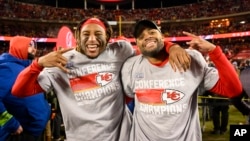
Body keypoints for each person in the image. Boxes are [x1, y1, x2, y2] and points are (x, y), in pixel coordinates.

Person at [11, 17, 191, 141]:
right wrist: (38, 64)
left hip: (124, 136)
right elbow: (19, 91)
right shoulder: (60, 62)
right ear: (77, 37)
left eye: (98, 35)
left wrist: (172, 47)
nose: (92, 40)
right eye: (86, 34)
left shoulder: (120, 51)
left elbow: (150, 46)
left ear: (108, 37)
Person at [120, 20, 243, 141]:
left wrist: (214, 52)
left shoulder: (190, 59)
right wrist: (172, 46)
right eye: (141, 37)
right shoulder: (131, 65)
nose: (147, 37)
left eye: (152, 32)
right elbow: (125, 98)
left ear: (162, 36)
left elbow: (233, 91)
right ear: (136, 43)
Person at [0, 36, 51, 141]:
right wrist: (10, 123)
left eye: (35, 46)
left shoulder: (27, 68)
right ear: (19, 47)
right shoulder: (7, 68)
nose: (34, 49)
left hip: (32, 132)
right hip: (18, 134)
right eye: (30, 45)